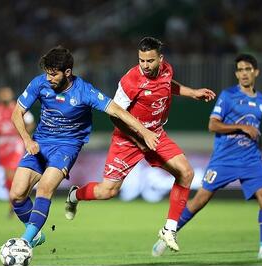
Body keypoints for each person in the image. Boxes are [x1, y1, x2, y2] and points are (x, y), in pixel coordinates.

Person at [64, 37, 216, 252]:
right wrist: (140, 137)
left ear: (160, 59)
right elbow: (115, 116)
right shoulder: (130, 81)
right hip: (127, 140)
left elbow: (167, 85)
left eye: (150, 61)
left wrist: (192, 93)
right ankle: (74, 195)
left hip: (155, 134)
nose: (145, 65)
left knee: (186, 173)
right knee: (107, 191)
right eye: (141, 60)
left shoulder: (166, 70)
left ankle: (169, 229)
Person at [9, 45, 159, 249]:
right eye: (47, 73)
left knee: (44, 188)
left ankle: (24, 242)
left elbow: (117, 111)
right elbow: (16, 112)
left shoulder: (84, 91)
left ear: (67, 73)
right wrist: (27, 139)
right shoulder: (40, 83)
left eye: (54, 74)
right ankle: (34, 233)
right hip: (40, 142)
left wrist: (145, 132)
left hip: (67, 146)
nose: (49, 78)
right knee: (16, 195)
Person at [151, 54, 262, 260]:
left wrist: (252, 134)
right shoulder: (228, 95)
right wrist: (241, 127)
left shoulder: (261, 100)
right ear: (236, 74)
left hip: (250, 158)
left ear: (255, 72)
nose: (244, 73)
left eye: (247, 69)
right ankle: (167, 234)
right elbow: (213, 125)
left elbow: (253, 128)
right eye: (240, 70)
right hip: (224, 159)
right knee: (199, 201)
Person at [0, 87, 35, 216]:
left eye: (7, 94)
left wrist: (23, 134)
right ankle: (15, 200)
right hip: (2, 143)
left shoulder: (18, 107)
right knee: (8, 174)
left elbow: (31, 123)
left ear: (11, 95)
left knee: (13, 171)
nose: (5, 96)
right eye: (3, 94)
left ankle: (16, 201)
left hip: (16, 142)